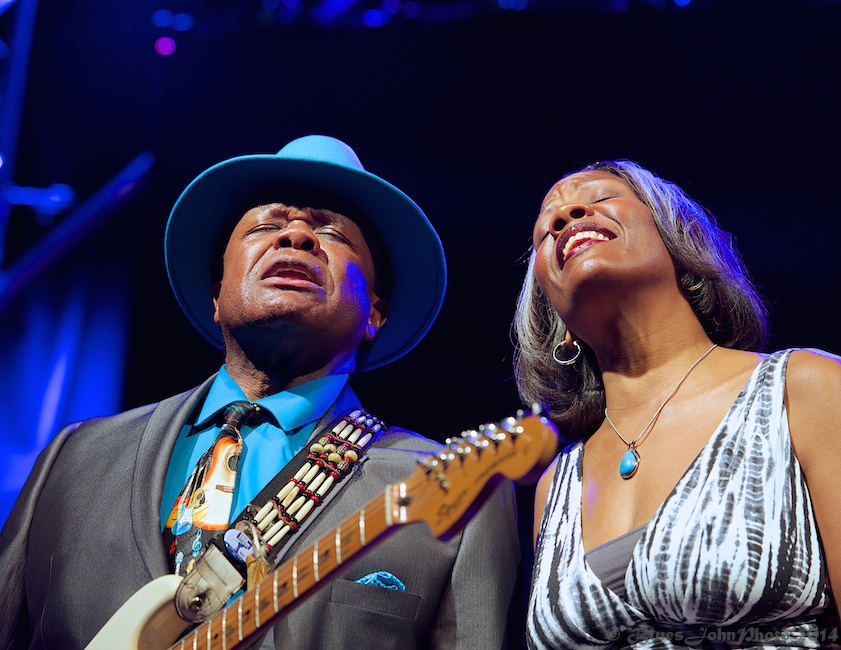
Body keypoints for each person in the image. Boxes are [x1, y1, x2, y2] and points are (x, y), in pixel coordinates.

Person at [0, 135, 521, 649]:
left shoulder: (459, 491)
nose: (295, 237)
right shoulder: (72, 459)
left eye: (332, 233)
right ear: (217, 298)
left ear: (375, 315)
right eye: (266, 225)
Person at [514, 158, 841, 648]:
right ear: (555, 318)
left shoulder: (806, 388)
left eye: (601, 198)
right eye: (546, 228)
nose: (565, 216)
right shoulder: (554, 489)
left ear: (677, 241)